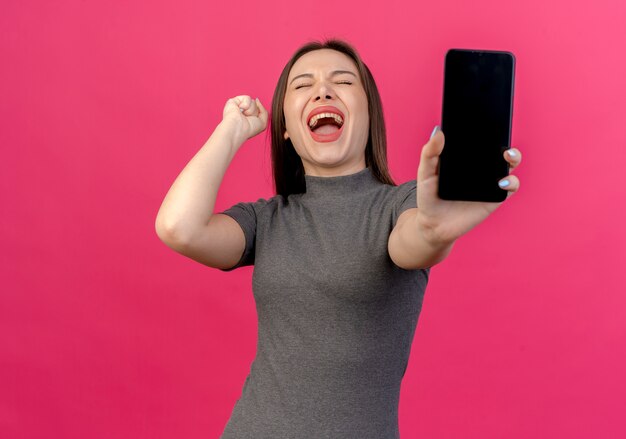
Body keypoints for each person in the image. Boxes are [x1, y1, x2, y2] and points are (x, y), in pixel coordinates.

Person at [155, 38, 522, 438]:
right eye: (302, 85)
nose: (323, 90)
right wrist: (233, 129)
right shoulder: (266, 220)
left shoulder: (401, 206)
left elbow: (412, 242)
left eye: (343, 81)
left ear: (368, 115)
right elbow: (179, 227)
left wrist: (434, 230)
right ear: (286, 130)